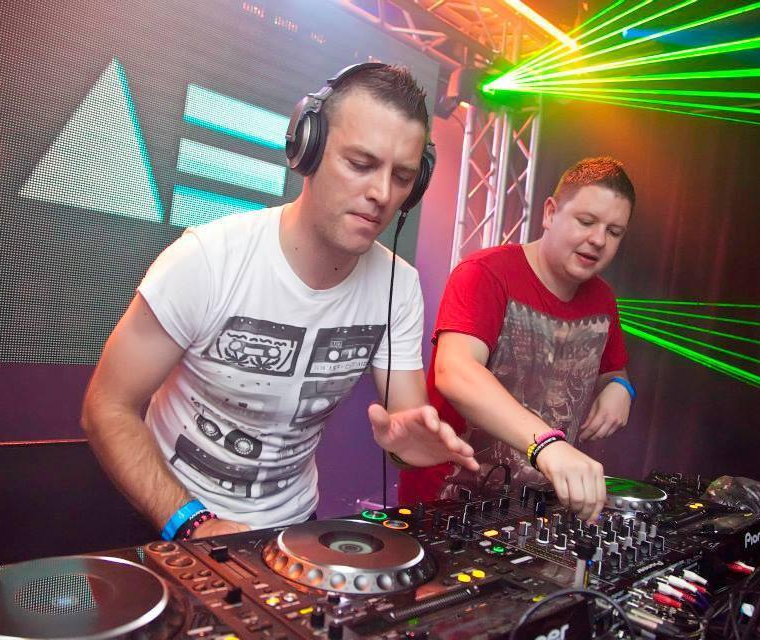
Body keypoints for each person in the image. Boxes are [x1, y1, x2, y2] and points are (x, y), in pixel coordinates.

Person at [81, 63, 478, 542]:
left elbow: (404, 428)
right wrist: (192, 523)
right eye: (360, 164)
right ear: (308, 148)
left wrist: (408, 449)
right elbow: (108, 407)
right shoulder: (206, 259)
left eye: (402, 176)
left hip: (292, 529)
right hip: (174, 517)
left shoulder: (399, 285)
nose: (381, 193)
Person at [398, 157, 636, 523]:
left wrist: (620, 387)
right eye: (586, 221)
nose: (598, 239)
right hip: (447, 505)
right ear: (550, 213)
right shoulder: (485, 274)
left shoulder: (603, 298)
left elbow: (613, 371)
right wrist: (547, 443)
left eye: (614, 231)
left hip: (533, 510)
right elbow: (455, 371)